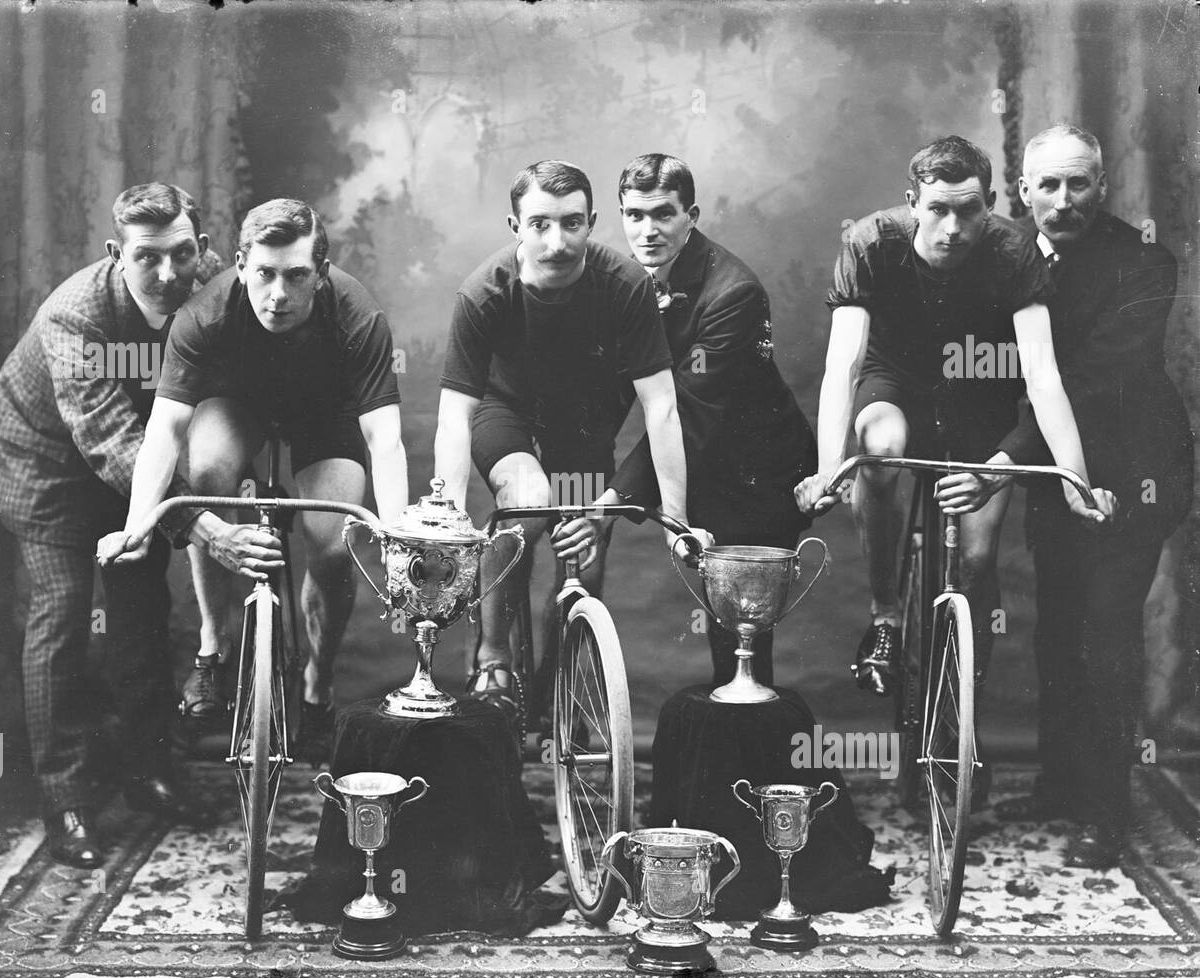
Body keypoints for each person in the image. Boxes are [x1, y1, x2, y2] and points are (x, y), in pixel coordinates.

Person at [793, 135, 1115, 801]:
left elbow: (1043, 375)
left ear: (992, 204)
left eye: (969, 211)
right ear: (913, 204)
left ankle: (958, 716)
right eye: (938, 209)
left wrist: (1078, 480)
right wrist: (830, 468)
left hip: (978, 399)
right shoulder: (871, 241)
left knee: (976, 557)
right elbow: (843, 365)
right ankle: (885, 616)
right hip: (897, 382)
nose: (953, 227)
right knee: (878, 447)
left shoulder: (1011, 248)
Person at [98, 199, 409, 762]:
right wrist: (136, 525)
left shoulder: (358, 314)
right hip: (238, 404)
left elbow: (384, 438)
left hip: (323, 415)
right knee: (207, 474)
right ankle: (214, 649)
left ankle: (317, 681)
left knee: (335, 544)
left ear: (321, 271)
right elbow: (166, 430)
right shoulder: (206, 313)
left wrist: (395, 534)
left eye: (296, 276)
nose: (278, 295)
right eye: (264, 273)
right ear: (240, 263)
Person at [0, 182, 239, 868]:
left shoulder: (216, 288)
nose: (167, 274)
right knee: (64, 613)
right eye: (146, 258)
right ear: (114, 253)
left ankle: (147, 769)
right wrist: (210, 528)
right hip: (49, 462)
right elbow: (111, 443)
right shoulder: (73, 317)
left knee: (142, 606)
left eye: (182, 254)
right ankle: (66, 800)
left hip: (139, 465)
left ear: (204, 249)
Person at [991, 124, 1193, 868]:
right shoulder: (1006, 255)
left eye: (1079, 184)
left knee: (1106, 636)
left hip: (1134, 472)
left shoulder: (1143, 263)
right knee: (1057, 627)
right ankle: (1059, 781)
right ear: (1024, 191)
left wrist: (1008, 452)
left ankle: (1106, 812)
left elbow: (1093, 374)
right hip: (1057, 473)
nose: (1064, 200)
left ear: (1101, 188)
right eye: (1049, 185)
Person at [432, 160, 704, 714]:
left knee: (585, 543)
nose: (557, 242)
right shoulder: (483, 293)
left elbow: (663, 408)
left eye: (572, 224)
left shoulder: (626, 286)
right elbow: (453, 417)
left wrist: (675, 519)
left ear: (592, 222)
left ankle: (560, 674)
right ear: (515, 227)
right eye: (539, 224)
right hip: (505, 412)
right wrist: (449, 519)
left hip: (581, 422)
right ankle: (493, 659)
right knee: (526, 507)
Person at [605, 152, 817, 688]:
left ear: (692, 215)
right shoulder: (628, 280)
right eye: (634, 215)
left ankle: (751, 760)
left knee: (740, 632)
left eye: (663, 214)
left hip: (759, 470)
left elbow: (688, 411)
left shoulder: (734, 293)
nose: (647, 230)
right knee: (725, 629)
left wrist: (612, 500)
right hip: (699, 456)